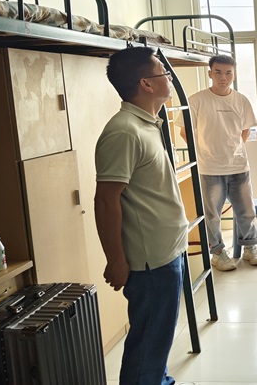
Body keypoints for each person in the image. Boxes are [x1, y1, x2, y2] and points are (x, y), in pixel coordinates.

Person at [94, 47, 188, 385]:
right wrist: (115, 260)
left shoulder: (147, 124)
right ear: (146, 84)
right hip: (150, 264)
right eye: (163, 71)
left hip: (166, 253)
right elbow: (106, 201)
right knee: (147, 348)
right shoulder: (124, 131)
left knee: (157, 345)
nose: (169, 76)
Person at [177, 54, 257, 272]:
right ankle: (217, 253)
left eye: (228, 73)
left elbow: (245, 130)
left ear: (234, 75)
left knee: (246, 210)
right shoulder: (197, 100)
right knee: (212, 215)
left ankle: (250, 248)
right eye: (218, 72)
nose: (223, 77)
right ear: (210, 73)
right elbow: (184, 131)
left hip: (239, 166)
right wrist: (205, 152)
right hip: (209, 168)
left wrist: (232, 151)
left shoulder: (241, 100)